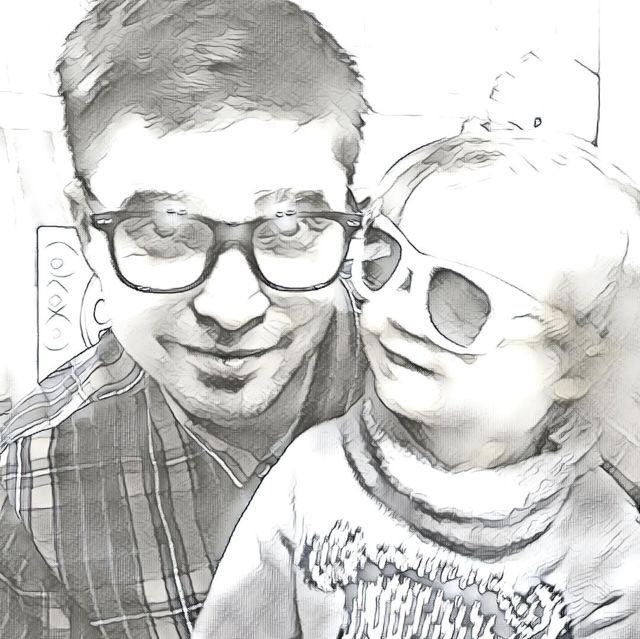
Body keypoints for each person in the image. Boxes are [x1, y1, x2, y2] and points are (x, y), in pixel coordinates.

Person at [0, 0, 368, 636]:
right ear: (86, 230)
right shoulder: (27, 490)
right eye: (165, 231)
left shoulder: (465, 397)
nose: (231, 307)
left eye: (290, 228)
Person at [194, 132, 640, 639]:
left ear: (574, 364)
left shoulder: (607, 549)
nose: (398, 313)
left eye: (462, 301)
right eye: (383, 262)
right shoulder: (316, 472)